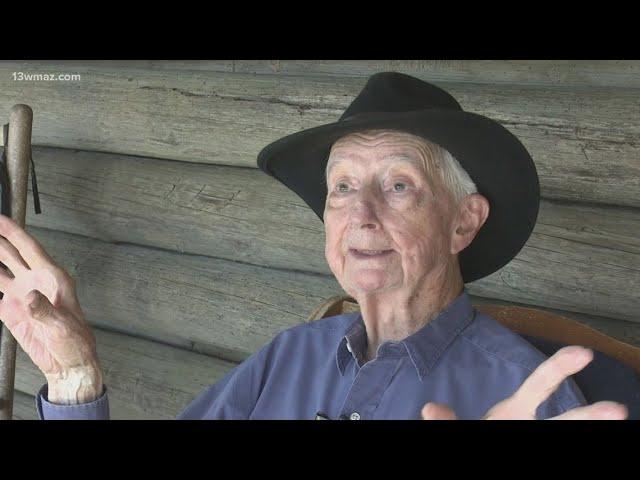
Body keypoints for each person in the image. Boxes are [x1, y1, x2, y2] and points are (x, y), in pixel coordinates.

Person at [0, 72, 628, 420]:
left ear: (463, 223)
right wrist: (72, 374)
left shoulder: (528, 392)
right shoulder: (290, 355)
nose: (361, 214)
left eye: (399, 186)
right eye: (343, 187)